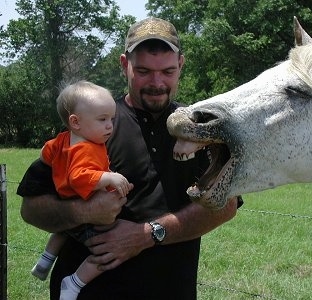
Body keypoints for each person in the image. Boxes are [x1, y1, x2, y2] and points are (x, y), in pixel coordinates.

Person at [18, 17, 241, 299]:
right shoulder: (92, 123)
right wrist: (85, 211)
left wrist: (147, 234)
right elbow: (31, 207)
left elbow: (227, 204)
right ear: (124, 64)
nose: (157, 82)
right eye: (144, 71)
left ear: (181, 65)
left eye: (168, 71)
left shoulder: (202, 128)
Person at [30, 80, 133, 300]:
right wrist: (108, 176)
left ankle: (45, 261)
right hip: (87, 210)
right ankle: (74, 283)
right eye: (102, 119)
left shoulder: (64, 139)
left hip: (66, 200)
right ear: (75, 122)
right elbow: (78, 177)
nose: (109, 126)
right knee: (105, 251)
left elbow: (45, 152)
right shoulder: (87, 148)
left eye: (111, 119)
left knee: (64, 230)